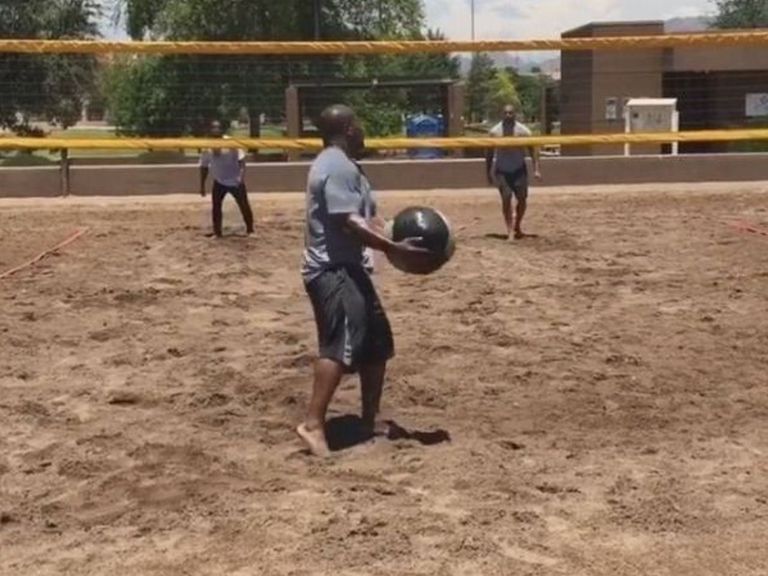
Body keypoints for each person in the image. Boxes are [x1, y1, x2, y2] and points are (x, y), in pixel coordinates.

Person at [297, 104, 429, 458]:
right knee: (338, 345)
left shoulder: (344, 165)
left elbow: (364, 218)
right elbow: (347, 222)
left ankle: (368, 419)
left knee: (376, 345)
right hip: (332, 271)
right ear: (350, 130)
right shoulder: (336, 165)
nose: (363, 130)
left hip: (351, 268)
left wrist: (389, 236)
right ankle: (312, 424)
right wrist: (391, 247)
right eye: (359, 124)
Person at [486, 104, 542, 240]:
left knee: (522, 199)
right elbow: (489, 153)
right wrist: (488, 172)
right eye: (505, 113)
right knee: (506, 197)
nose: (508, 116)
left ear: (514, 114)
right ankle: (510, 230)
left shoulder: (523, 131)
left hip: (519, 169)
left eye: (510, 113)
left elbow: (533, 149)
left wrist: (536, 169)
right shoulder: (495, 132)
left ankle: (517, 225)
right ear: (502, 114)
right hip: (502, 171)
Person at [199, 120, 255, 237]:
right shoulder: (206, 147)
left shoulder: (230, 142)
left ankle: (250, 230)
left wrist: (241, 177)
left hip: (235, 180)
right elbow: (204, 167)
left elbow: (241, 161)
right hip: (219, 181)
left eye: (218, 128)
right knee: (216, 207)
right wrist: (202, 186)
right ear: (210, 130)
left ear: (222, 130)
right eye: (213, 128)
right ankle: (217, 233)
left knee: (244, 205)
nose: (216, 130)